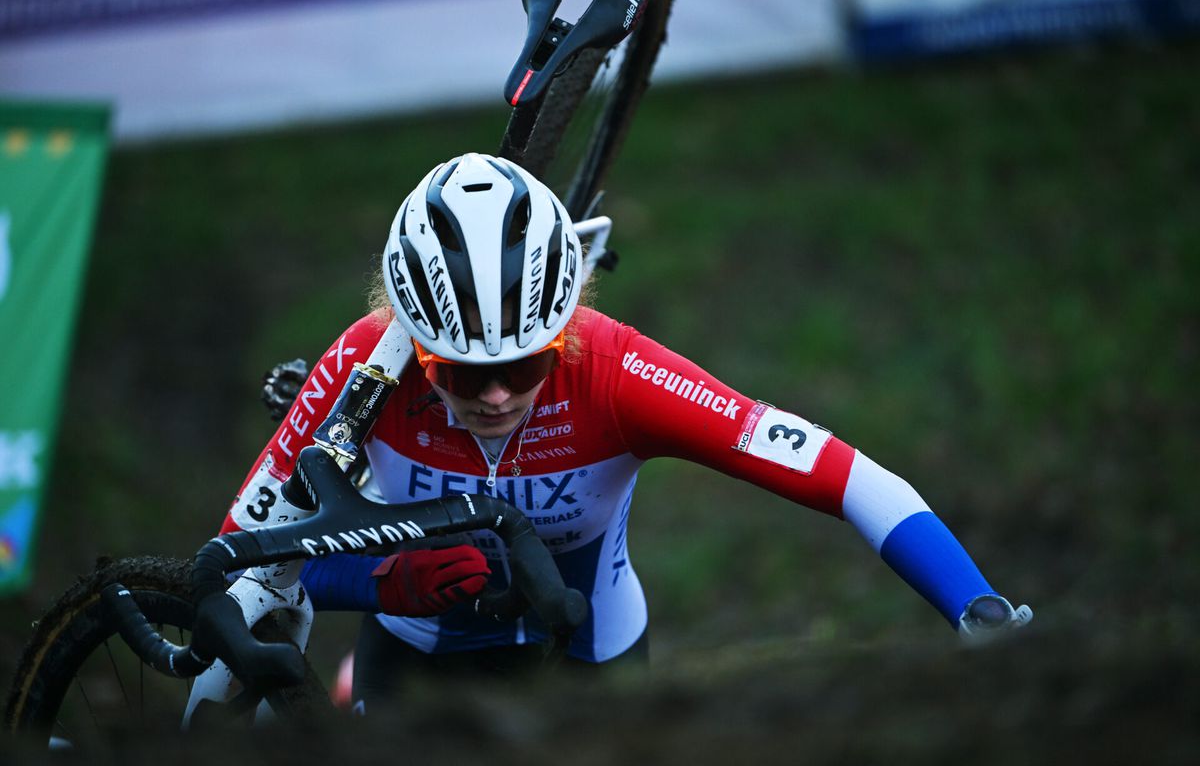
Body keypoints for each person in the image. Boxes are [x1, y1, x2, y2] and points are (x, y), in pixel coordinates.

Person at [220, 153, 1031, 705]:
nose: (498, 397)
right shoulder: (367, 365)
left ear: (565, 331)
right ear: (413, 347)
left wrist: (976, 606)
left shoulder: (614, 370)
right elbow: (237, 564)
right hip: (413, 657)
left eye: (528, 365)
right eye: (462, 374)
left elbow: (847, 476)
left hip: (590, 656)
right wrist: (385, 582)